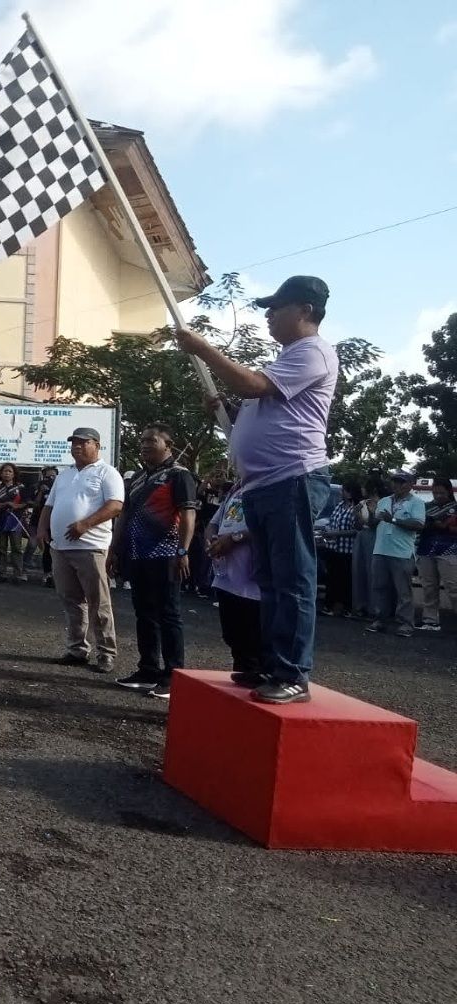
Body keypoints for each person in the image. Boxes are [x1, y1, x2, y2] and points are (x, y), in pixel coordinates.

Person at [178, 275, 337, 704]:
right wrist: (228, 412)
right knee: (269, 579)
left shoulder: (312, 351)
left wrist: (203, 349)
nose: (268, 315)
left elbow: (253, 386)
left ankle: (292, 673)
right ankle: (271, 664)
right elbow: (259, 405)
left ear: (304, 310)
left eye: (276, 307)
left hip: (293, 478)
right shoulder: (290, 357)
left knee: (291, 580)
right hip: (267, 483)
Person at [110, 425, 198, 701]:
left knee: (168, 614)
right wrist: (114, 549)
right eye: (143, 440)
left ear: (168, 445)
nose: (145, 445)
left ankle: (173, 676)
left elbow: (188, 515)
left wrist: (182, 551)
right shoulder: (137, 478)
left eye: (152, 440)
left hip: (167, 555)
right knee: (144, 613)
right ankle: (148, 669)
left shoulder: (179, 475)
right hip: (138, 555)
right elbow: (124, 516)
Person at [36, 427, 124, 674]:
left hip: (90, 547)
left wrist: (85, 524)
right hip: (61, 548)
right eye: (74, 442)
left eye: (83, 442)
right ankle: (77, 649)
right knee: (71, 600)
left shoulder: (108, 473)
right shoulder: (65, 474)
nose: (76, 446)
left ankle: (106, 653)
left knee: (98, 603)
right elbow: (49, 505)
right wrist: (42, 529)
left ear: (96, 445)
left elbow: (116, 505)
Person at [206, 480, 264, 685]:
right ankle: (240, 699)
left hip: (253, 583)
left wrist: (234, 538)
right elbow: (214, 522)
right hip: (226, 578)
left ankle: (255, 698)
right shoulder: (236, 489)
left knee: (254, 647)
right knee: (234, 640)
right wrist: (212, 539)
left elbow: (272, 526)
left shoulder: (269, 486)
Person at [365, 470, 426, 638]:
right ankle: (380, 620)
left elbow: (419, 525)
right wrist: (370, 513)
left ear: (410, 484)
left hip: (402, 552)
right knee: (379, 587)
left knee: (403, 590)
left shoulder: (417, 503)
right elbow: (373, 524)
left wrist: (393, 519)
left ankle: (406, 623)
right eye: (395, 481)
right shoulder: (384, 501)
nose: (397, 485)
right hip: (380, 549)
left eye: (401, 482)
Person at [416, 478, 457, 632]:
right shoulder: (426, 507)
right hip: (426, 549)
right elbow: (418, 525)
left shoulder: (455, 507)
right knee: (429, 586)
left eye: (441, 492)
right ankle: (430, 620)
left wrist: (445, 527)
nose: (438, 496)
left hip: (449, 551)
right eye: (435, 492)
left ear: (448, 492)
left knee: (453, 587)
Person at [318, 481, 363, 617]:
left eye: (344, 490)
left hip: (347, 550)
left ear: (350, 493)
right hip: (333, 547)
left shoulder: (357, 508)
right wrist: (328, 532)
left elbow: (356, 530)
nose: (341, 493)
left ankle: (347, 607)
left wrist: (336, 533)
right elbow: (332, 522)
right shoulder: (339, 506)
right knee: (332, 578)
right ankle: (329, 606)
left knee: (346, 580)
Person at [0, 463, 30, 582]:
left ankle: (18, 574)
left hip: (15, 521)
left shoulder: (20, 487)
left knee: (16, 548)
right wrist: (5, 504)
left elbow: (26, 502)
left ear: (14, 474)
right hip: (1, 521)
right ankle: (2, 573)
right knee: (1, 548)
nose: (7, 473)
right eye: (5, 471)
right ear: (1, 474)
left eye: (10, 471)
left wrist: (17, 506)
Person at [352, 476, 383, 619]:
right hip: (361, 535)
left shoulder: (382, 503)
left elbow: (373, 524)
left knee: (372, 572)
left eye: (365, 487)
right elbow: (357, 525)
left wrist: (369, 514)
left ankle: (374, 608)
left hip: (374, 536)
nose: (363, 489)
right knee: (359, 570)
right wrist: (357, 515)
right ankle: (360, 605)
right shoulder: (362, 503)